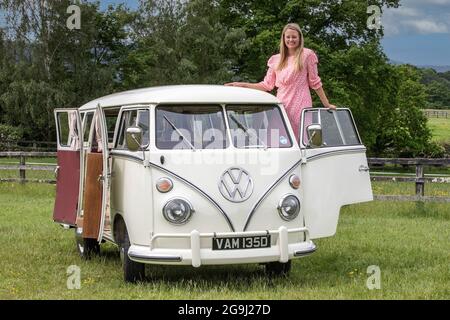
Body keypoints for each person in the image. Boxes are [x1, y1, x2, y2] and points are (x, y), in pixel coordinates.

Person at [225, 23, 336, 143]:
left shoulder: (307, 55)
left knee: (302, 139)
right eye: (288, 37)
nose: (291, 40)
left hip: (301, 102)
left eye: (294, 37)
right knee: (277, 139)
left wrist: (327, 104)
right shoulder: (276, 59)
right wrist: (242, 85)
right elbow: (267, 85)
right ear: (283, 38)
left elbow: (315, 82)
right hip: (281, 104)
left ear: (300, 38)